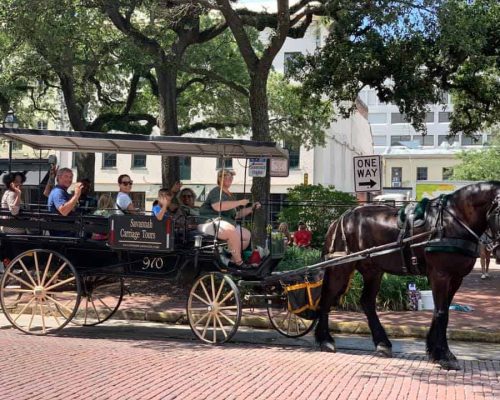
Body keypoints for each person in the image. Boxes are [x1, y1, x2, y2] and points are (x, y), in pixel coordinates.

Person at [198, 169, 260, 269]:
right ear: (220, 178)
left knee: (246, 235)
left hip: (224, 223)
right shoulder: (216, 191)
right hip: (209, 222)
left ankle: (230, 260)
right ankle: (239, 263)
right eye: (227, 176)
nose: (230, 178)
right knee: (231, 231)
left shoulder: (230, 195)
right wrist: (239, 202)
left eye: (231, 176)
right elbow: (218, 206)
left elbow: (236, 215)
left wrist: (251, 208)